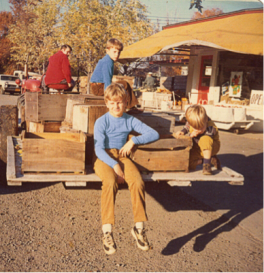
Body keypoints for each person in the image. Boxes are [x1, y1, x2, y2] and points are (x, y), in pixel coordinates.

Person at [93, 83, 159, 255]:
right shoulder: (102, 121)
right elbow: (98, 148)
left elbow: (154, 134)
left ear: (126, 102)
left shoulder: (129, 119)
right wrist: (113, 165)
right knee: (109, 181)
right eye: (113, 103)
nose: (117, 106)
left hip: (122, 155)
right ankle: (107, 232)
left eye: (120, 102)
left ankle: (139, 228)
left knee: (137, 181)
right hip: (104, 157)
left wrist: (133, 141)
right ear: (107, 103)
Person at [90, 38, 138, 108]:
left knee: (122, 84)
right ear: (107, 51)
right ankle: (130, 107)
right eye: (114, 52)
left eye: (119, 52)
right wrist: (108, 97)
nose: (117, 54)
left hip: (97, 87)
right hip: (98, 88)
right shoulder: (108, 62)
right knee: (124, 84)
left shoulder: (108, 60)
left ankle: (129, 106)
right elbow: (107, 80)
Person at [174, 104, 221, 175]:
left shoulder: (210, 127)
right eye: (195, 127)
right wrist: (182, 131)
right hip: (198, 148)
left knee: (204, 139)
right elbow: (188, 126)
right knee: (186, 162)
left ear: (205, 120)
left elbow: (206, 142)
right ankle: (210, 159)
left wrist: (193, 135)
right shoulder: (192, 122)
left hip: (211, 147)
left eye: (201, 128)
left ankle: (207, 165)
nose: (198, 130)